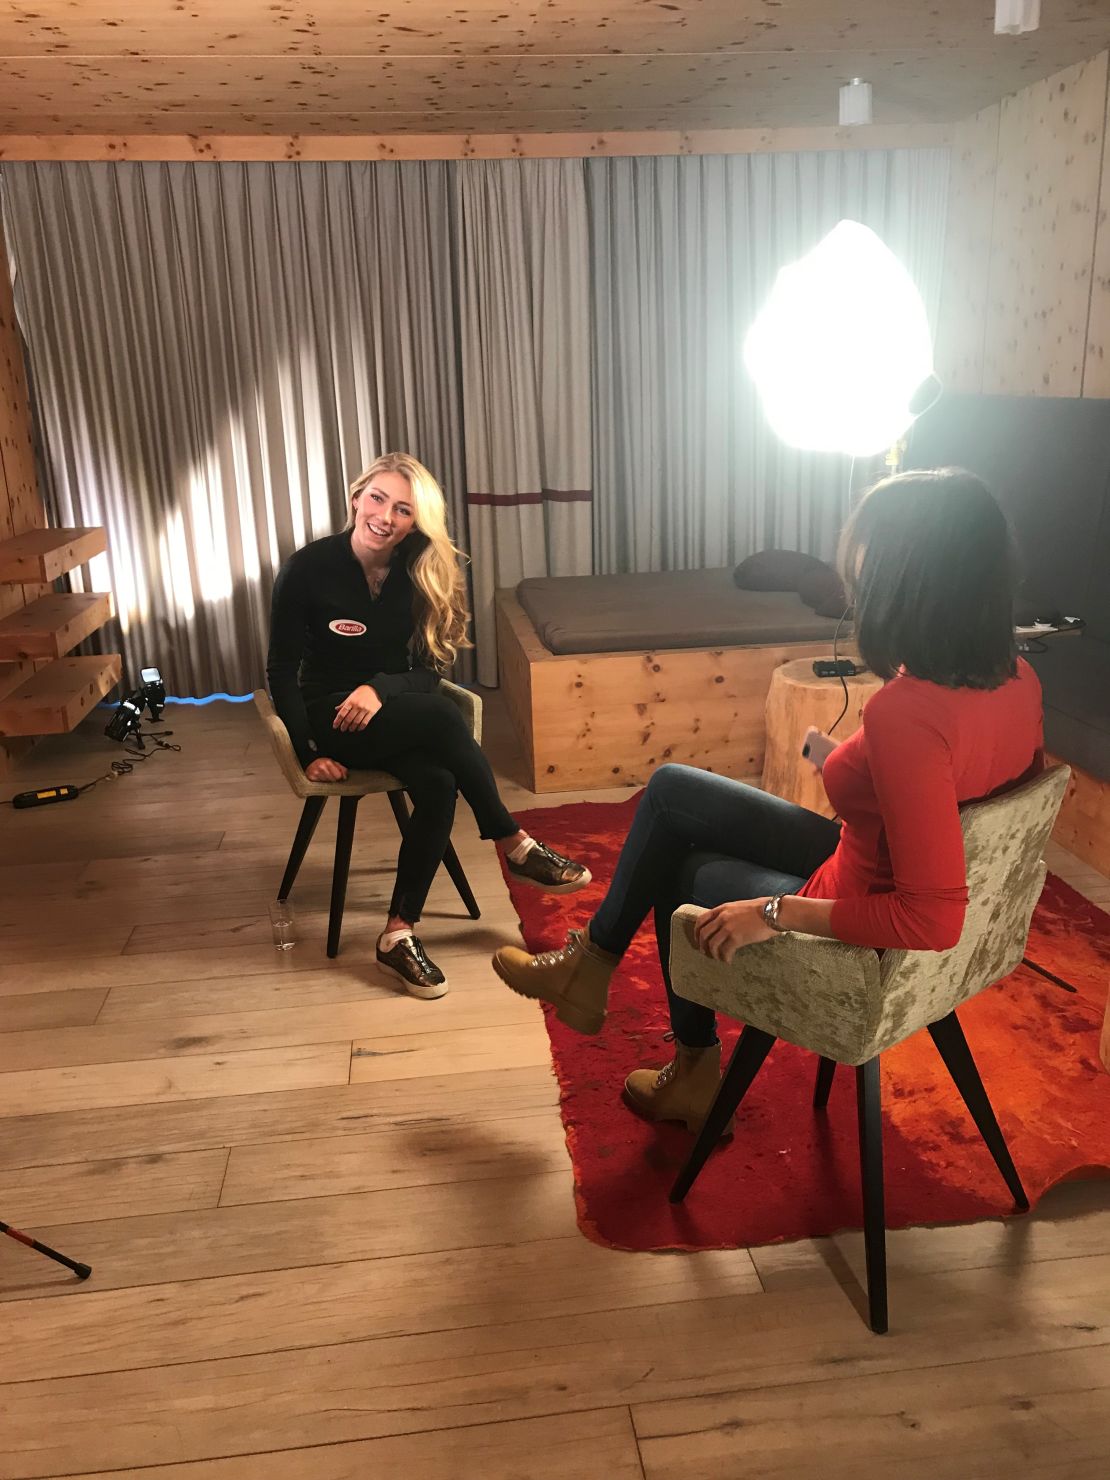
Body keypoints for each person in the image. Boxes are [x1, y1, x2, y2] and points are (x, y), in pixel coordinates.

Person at [492, 469, 1045, 1133]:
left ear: (913, 584)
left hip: (854, 911)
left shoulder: (910, 713)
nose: (856, 594)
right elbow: (938, 780)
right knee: (671, 789)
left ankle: (686, 1064)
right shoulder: (1015, 677)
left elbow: (932, 921)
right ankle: (591, 966)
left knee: (681, 867)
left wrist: (775, 911)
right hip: (871, 859)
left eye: (864, 578)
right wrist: (831, 756)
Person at [267, 451, 590, 999]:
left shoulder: (424, 568)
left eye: (403, 510)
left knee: (440, 782)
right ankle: (512, 841)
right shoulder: (308, 567)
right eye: (377, 499)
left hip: (392, 713)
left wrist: (380, 688)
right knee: (443, 716)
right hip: (333, 714)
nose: (385, 517)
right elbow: (280, 668)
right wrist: (306, 749)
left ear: (416, 521)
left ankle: (398, 934)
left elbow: (427, 673)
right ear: (355, 497)